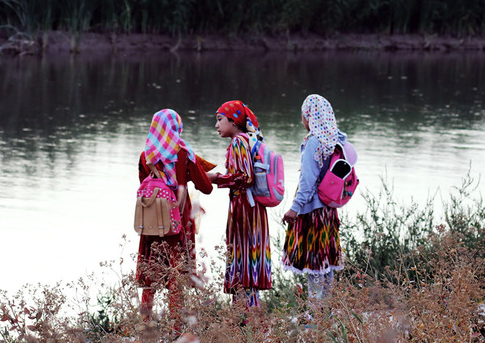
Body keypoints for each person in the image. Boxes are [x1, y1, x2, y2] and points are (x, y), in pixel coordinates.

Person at [137, 108, 213, 326]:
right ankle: (176, 327)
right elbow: (206, 187)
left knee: (151, 272)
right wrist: (191, 173)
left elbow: (143, 185)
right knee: (176, 274)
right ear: (177, 128)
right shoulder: (182, 152)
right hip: (177, 221)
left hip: (151, 221)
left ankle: (145, 324)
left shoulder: (146, 155)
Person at [281, 94, 346, 305]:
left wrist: (295, 208)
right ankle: (327, 310)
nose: (303, 120)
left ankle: (314, 313)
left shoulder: (314, 142)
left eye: (303, 115)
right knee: (326, 261)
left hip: (312, 211)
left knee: (314, 262)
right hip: (329, 210)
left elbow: (307, 181)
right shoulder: (336, 141)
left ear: (309, 116)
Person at [208, 100, 272, 309]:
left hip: (244, 209)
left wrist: (216, 178)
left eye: (220, 120)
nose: (216, 125)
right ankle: (248, 312)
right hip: (251, 208)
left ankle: (245, 316)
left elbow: (244, 178)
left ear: (234, 121)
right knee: (247, 260)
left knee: (242, 259)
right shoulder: (247, 140)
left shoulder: (238, 142)